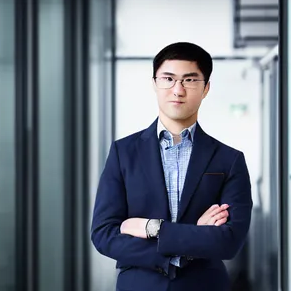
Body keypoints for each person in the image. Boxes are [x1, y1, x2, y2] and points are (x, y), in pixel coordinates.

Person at [89, 42, 252, 290]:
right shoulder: (124, 153)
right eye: (168, 79)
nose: (178, 90)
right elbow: (104, 234)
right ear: (155, 83)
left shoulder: (229, 160)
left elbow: (229, 241)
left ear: (206, 88)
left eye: (189, 80)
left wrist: (151, 228)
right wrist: (193, 237)